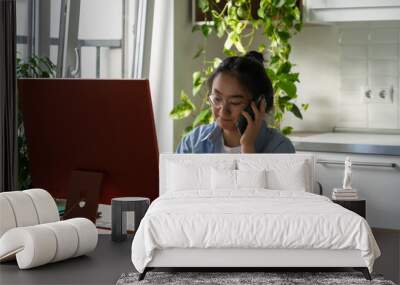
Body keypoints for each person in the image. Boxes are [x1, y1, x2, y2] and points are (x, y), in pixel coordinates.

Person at [176, 51, 295, 154]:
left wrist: (247, 146)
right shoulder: (193, 142)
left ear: (260, 104)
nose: (223, 110)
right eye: (217, 99)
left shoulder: (280, 148)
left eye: (235, 102)